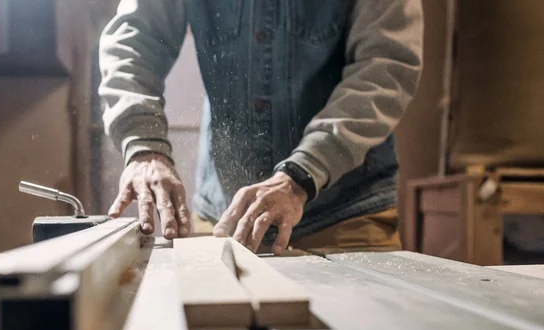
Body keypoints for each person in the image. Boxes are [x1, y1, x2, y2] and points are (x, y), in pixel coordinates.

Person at [99, 0, 423, 255]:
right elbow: (132, 43)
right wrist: (144, 146)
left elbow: (385, 67)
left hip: (344, 215)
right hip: (224, 215)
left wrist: (303, 174)